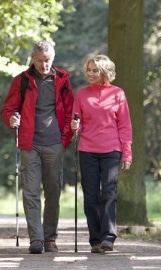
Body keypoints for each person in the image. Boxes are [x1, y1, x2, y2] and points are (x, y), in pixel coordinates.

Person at [1, 40, 74, 254]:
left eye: (48, 60)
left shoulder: (62, 80)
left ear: (53, 58)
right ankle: (36, 240)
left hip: (55, 145)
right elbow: (8, 109)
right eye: (41, 61)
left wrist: (65, 141)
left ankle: (50, 238)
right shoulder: (21, 81)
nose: (44, 65)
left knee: (53, 193)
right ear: (33, 59)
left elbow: (71, 112)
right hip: (29, 144)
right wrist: (11, 120)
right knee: (30, 192)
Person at [70, 54, 132, 254]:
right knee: (90, 197)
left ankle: (108, 238)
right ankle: (95, 240)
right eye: (88, 70)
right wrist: (74, 126)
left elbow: (124, 126)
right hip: (87, 150)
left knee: (109, 193)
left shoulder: (118, 94)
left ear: (104, 71)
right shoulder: (81, 94)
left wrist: (127, 154)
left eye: (95, 70)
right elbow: (75, 125)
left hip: (111, 150)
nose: (90, 73)